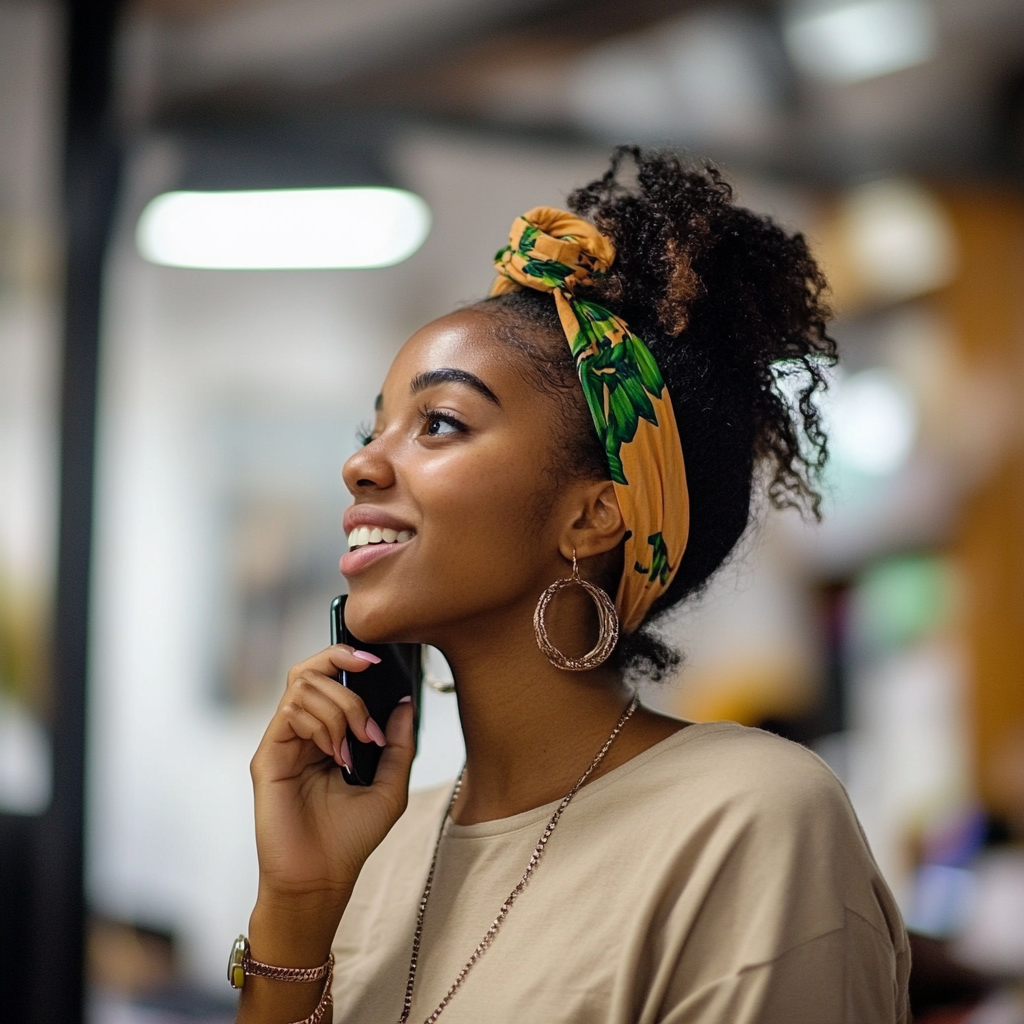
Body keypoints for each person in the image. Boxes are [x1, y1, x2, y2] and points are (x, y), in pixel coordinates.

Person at [234, 148, 910, 1024]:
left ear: (594, 517)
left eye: (438, 423)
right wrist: (296, 905)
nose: (361, 463)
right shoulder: (376, 849)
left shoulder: (748, 821)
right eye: (375, 429)